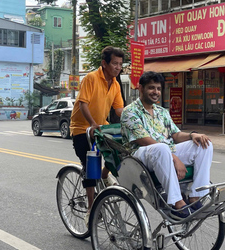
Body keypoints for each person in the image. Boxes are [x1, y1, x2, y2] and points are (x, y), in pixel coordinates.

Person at [121, 71, 213, 219]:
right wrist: (175, 159)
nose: (155, 92)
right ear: (140, 88)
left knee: (204, 144)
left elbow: (176, 135)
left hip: (165, 151)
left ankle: (196, 196)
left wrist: (192, 135)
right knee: (161, 148)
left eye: (158, 88)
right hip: (141, 155)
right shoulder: (130, 111)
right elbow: (143, 139)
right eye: (151, 88)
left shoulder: (162, 112)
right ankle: (178, 203)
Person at [69, 46, 125, 216]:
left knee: (121, 150)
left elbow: (119, 109)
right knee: (90, 165)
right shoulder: (91, 78)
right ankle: (91, 209)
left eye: (120, 64)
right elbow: (83, 103)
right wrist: (92, 124)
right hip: (81, 128)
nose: (118, 67)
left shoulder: (115, 84)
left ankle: (105, 174)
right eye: (114, 63)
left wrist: (134, 122)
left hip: (101, 128)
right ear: (104, 63)